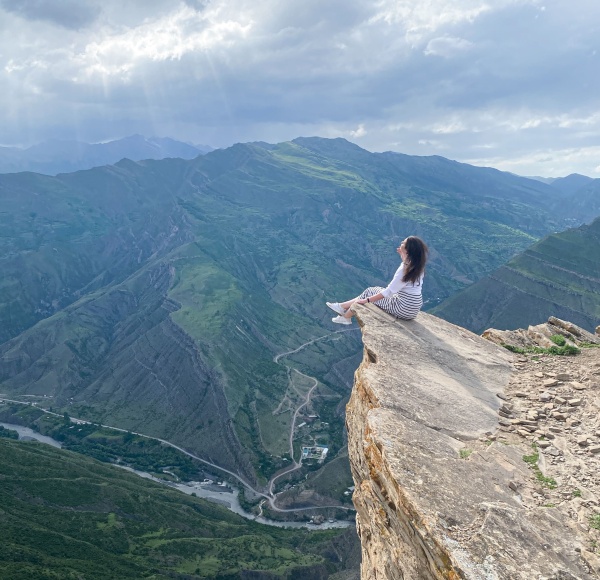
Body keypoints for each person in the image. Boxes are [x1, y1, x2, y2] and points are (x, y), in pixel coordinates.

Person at [327, 236, 428, 325]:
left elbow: (388, 292)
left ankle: (346, 316)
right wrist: (403, 255)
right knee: (373, 290)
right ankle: (342, 307)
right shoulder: (418, 266)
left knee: (369, 292)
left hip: (402, 308)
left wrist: (366, 300)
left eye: (403, 243)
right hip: (413, 308)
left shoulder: (404, 268)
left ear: (408, 249)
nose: (401, 243)